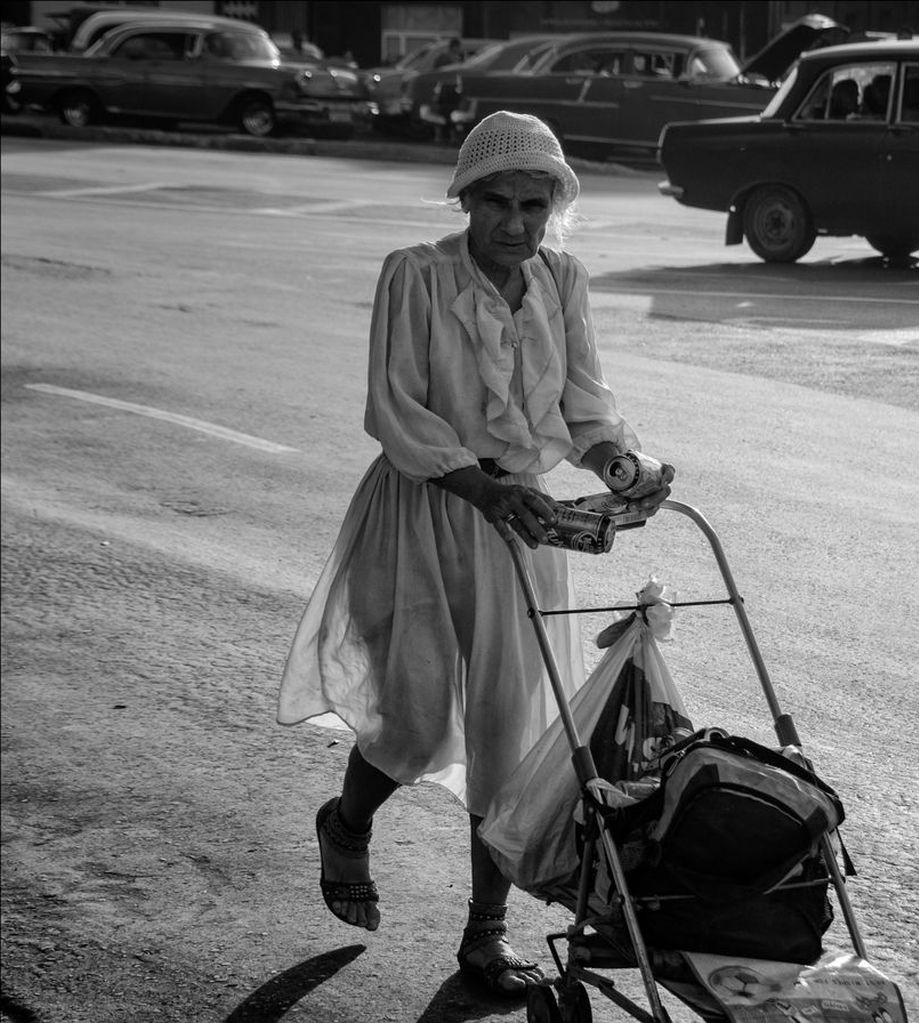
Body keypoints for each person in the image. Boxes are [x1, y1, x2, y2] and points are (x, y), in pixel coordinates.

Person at [276, 110, 675, 996]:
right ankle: (346, 823)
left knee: (511, 730)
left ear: (553, 211)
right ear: (466, 199)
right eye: (497, 202)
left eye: (535, 205)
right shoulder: (414, 276)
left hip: (522, 525)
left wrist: (620, 462)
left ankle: (484, 936)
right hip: (426, 509)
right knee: (412, 716)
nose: (517, 224)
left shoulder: (562, 279)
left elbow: (583, 404)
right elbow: (397, 409)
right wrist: (483, 487)